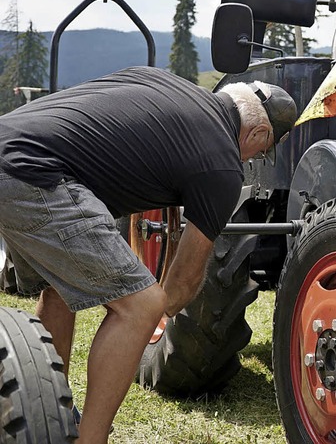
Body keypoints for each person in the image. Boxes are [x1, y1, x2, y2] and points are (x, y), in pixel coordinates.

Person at [0, 66, 297, 443]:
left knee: (59, 286)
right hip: (35, 173)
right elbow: (184, 282)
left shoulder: (162, 80)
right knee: (140, 306)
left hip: (10, 146)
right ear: (257, 133)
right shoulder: (223, 162)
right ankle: (91, 437)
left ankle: (51, 411)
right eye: (263, 150)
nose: (255, 158)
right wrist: (152, 317)